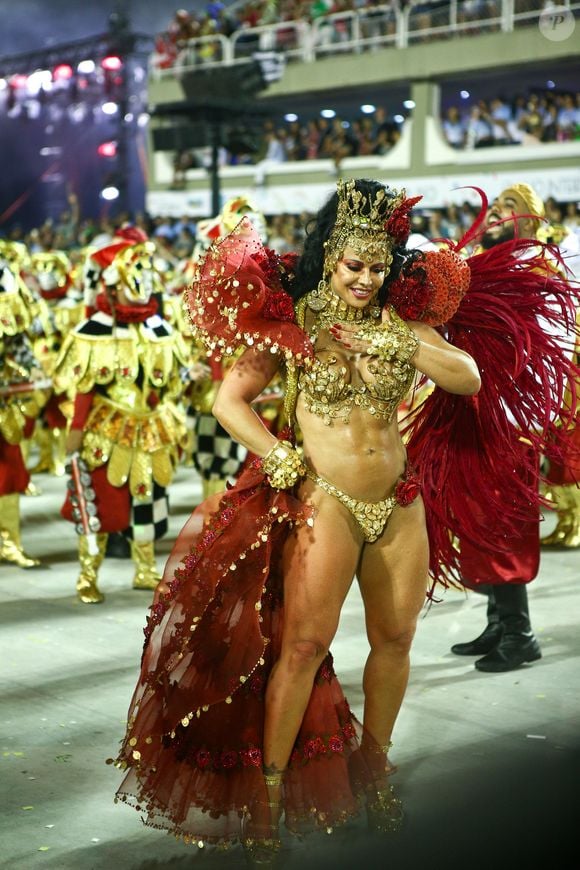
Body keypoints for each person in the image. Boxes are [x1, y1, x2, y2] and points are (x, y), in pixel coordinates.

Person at [112, 179, 576, 865]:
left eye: (377, 265)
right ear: (329, 258)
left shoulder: (402, 324)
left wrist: (403, 342)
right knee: (302, 648)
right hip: (325, 498)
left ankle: (377, 770)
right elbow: (229, 400)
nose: (365, 277)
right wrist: (277, 456)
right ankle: (267, 793)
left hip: (399, 503)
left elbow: (469, 378)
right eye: (354, 264)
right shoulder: (293, 321)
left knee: (395, 641)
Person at [450, 183, 576, 672]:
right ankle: (499, 622)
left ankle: (520, 634)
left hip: (513, 421)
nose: (497, 214)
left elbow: (554, 349)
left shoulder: (541, 268)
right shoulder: (482, 265)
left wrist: (532, 417)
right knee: (480, 521)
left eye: (510, 207)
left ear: (532, 220)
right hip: (481, 412)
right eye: (495, 206)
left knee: (504, 525)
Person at [54, 228, 190, 603]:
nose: (143, 282)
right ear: (114, 282)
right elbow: (83, 389)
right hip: (107, 430)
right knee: (101, 504)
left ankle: (145, 568)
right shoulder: (93, 331)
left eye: (148, 273)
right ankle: (88, 573)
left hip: (152, 428)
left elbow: (171, 382)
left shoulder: (159, 326)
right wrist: (76, 434)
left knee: (146, 499)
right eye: (136, 274)